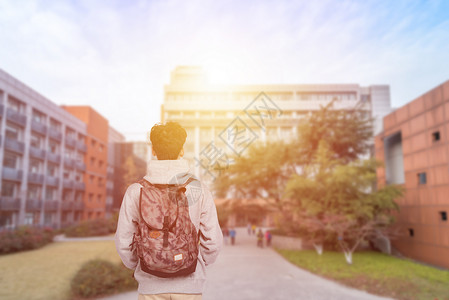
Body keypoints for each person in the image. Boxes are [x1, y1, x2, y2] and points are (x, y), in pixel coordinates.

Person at [115, 122, 223, 300]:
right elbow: (213, 242)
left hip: (150, 287)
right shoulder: (198, 189)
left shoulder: (136, 191)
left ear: (154, 151)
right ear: (182, 151)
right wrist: (196, 262)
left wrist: (143, 263)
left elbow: (123, 242)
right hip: (190, 286)